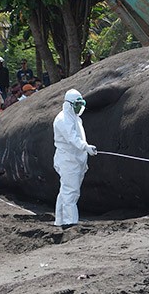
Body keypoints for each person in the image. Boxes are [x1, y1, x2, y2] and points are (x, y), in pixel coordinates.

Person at [52, 89, 97, 228]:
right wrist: (85, 147)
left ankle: (59, 220)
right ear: (70, 104)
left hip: (77, 159)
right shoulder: (63, 119)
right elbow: (72, 138)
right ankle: (69, 223)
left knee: (66, 190)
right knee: (70, 191)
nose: (80, 107)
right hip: (68, 160)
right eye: (77, 104)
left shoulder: (75, 118)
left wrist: (85, 150)